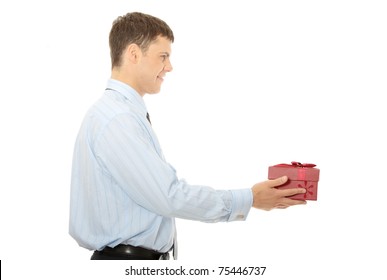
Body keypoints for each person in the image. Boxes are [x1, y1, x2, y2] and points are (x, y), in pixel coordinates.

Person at [69, 12, 307, 260]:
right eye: (163, 56)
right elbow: (169, 196)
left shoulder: (118, 114)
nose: (169, 67)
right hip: (127, 262)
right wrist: (250, 198)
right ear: (133, 54)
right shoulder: (118, 119)